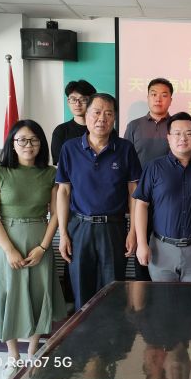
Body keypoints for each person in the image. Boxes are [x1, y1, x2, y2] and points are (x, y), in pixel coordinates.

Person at [0, 119, 66, 379]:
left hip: (39, 242)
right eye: (22, 140)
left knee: (40, 295)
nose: (29, 145)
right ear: (12, 143)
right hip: (7, 242)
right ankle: (13, 357)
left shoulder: (50, 173)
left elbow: (56, 214)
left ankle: (32, 353)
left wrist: (43, 247)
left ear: (41, 144)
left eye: (34, 140)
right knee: (8, 295)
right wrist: (9, 249)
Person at [56, 93, 141, 311]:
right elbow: (63, 191)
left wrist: (133, 232)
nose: (102, 118)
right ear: (86, 116)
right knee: (81, 290)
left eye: (108, 113)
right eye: (96, 112)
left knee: (113, 291)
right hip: (80, 228)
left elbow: (133, 192)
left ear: (114, 119)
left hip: (114, 228)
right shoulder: (70, 148)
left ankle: (112, 333)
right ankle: (83, 332)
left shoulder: (125, 148)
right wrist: (63, 233)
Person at [134, 112, 191, 282]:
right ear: (169, 138)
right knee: (163, 298)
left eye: (189, 133)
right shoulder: (154, 167)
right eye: (177, 133)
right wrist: (141, 243)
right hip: (161, 248)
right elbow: (141, 205)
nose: (183, 138)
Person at [124, 77, 174, 281]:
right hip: (140, 198)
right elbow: (126, 162)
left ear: (170, 99)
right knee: (141, 248)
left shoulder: (176, 126)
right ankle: (143, 291)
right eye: (154, 94)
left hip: (169, 199)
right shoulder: (134, 126)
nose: (158, 99)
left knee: (166, 249)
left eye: (164, 95)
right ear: (147, 97)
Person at [51, 80, 97, 165]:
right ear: (68, 102)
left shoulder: (101, 128)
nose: (77, 104)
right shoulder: (61, 131)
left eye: (83, 99)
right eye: (73, 99)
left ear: (92, 102)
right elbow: (59, 164)